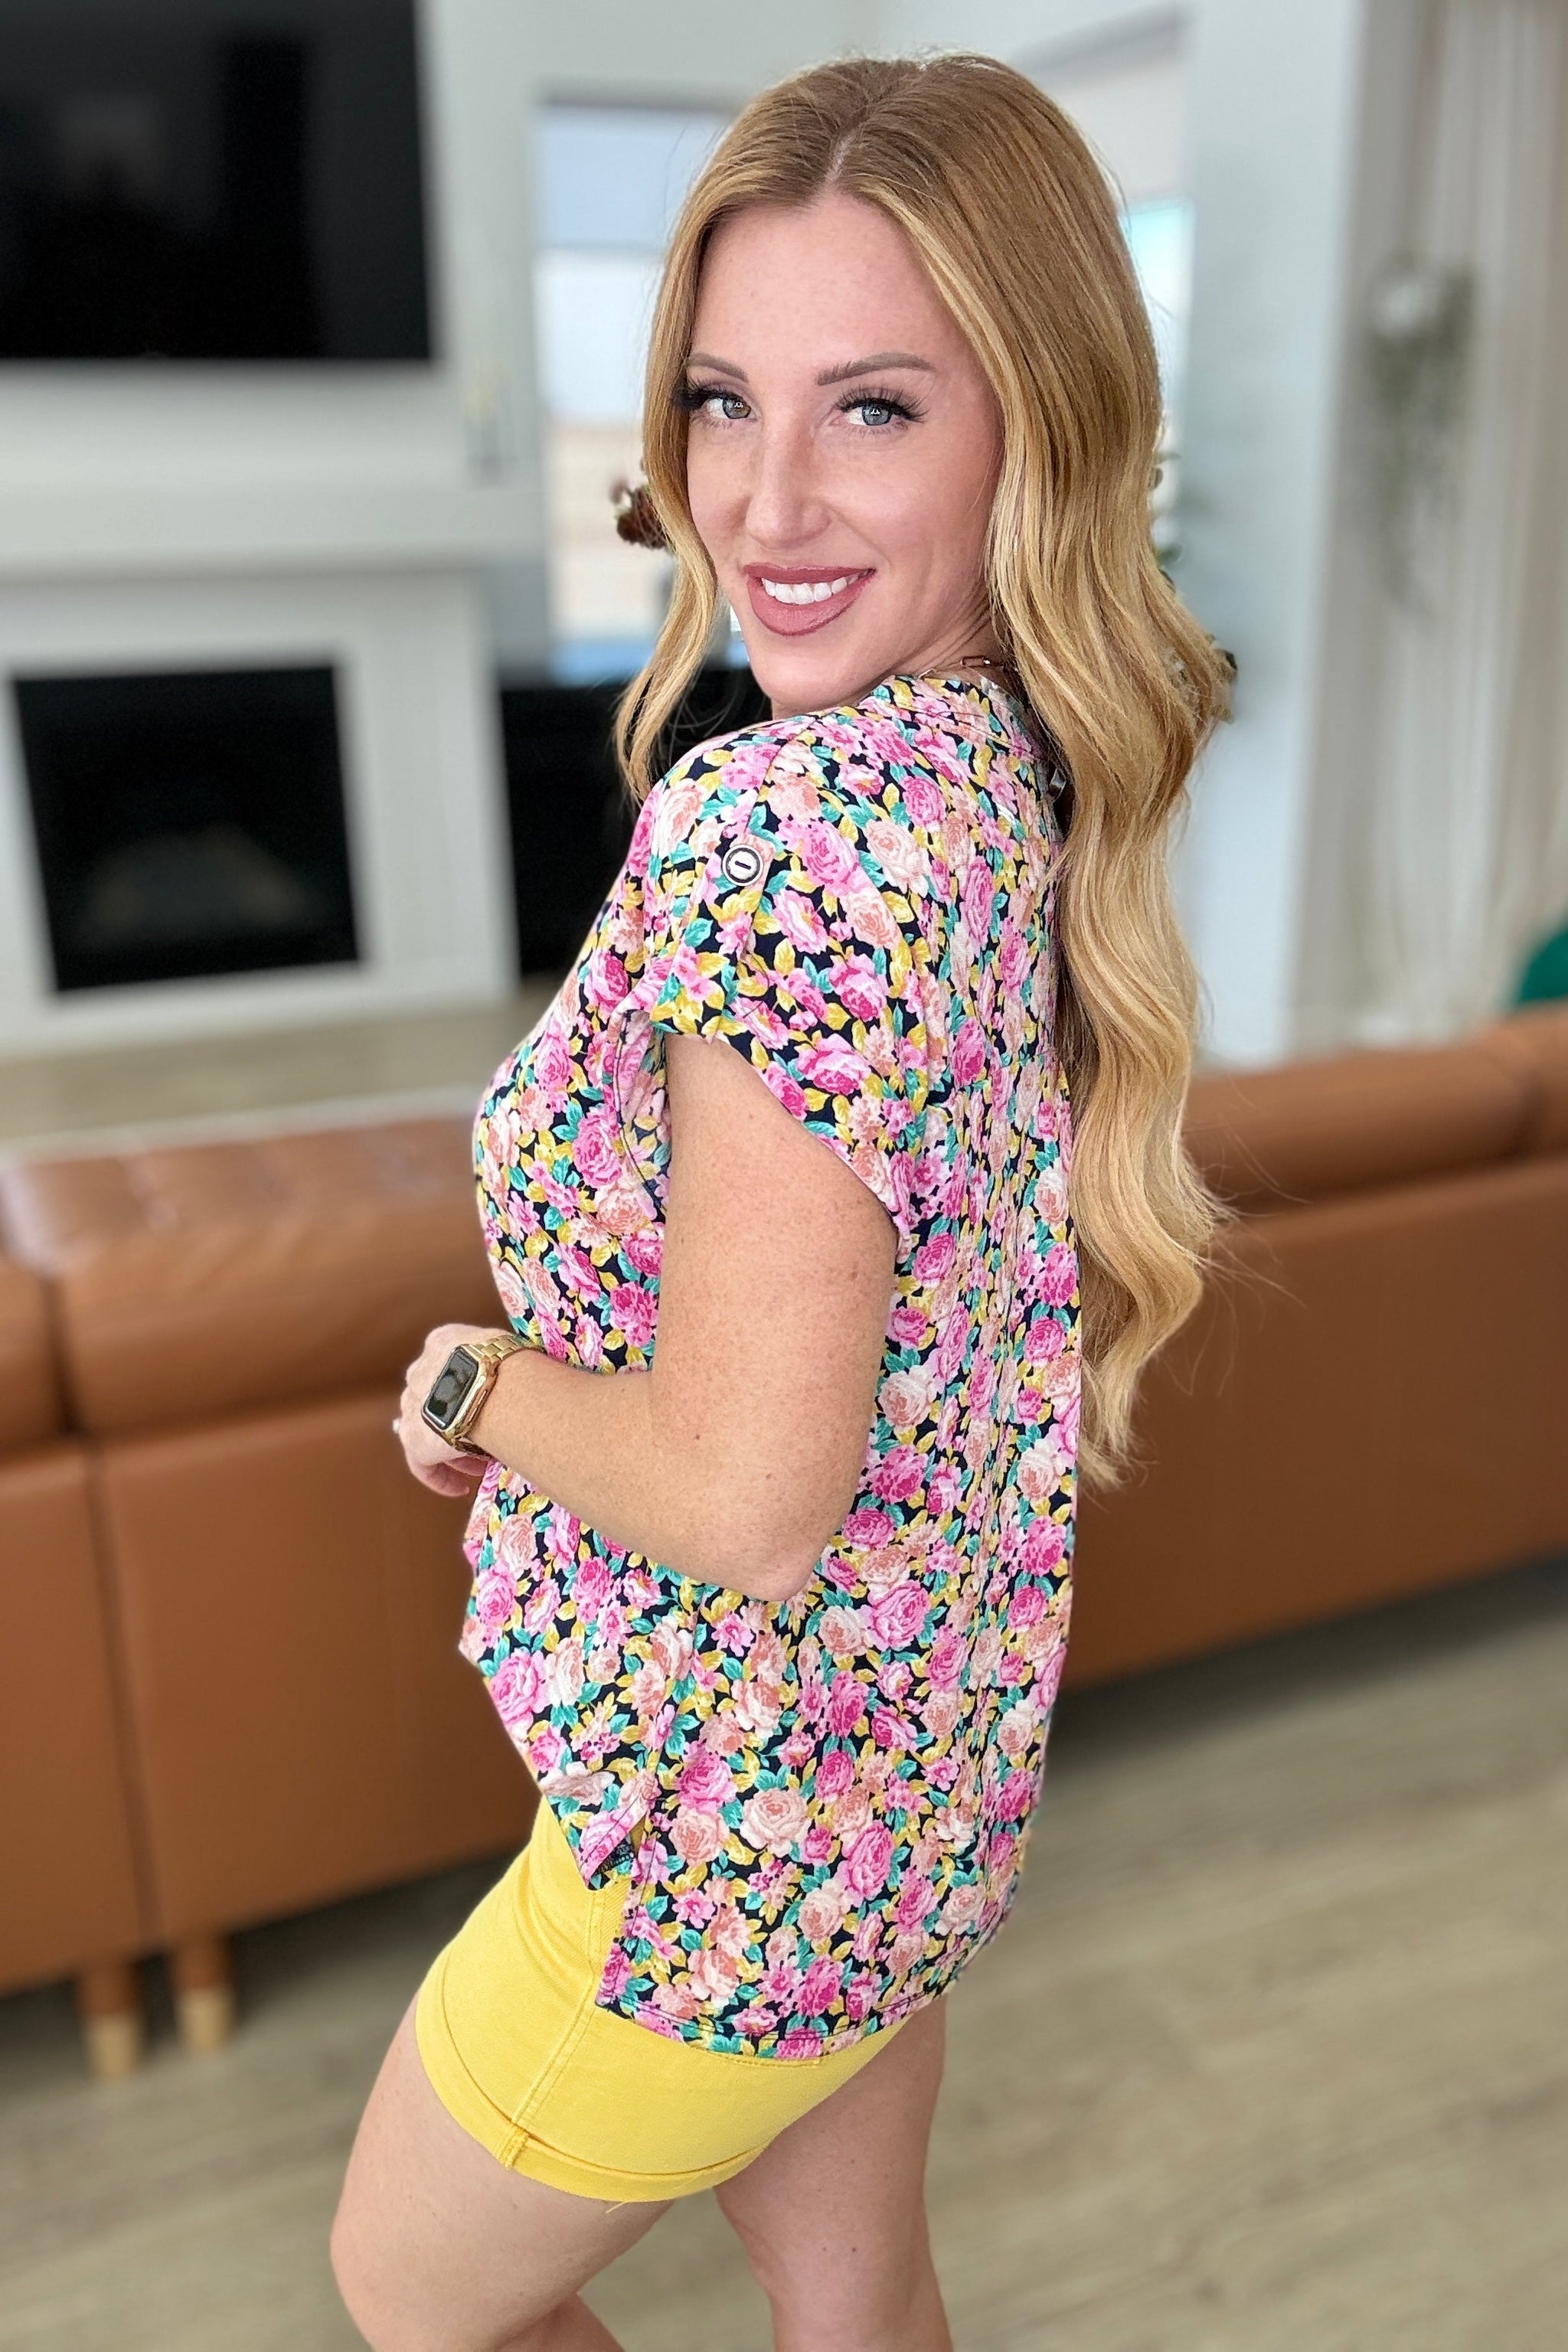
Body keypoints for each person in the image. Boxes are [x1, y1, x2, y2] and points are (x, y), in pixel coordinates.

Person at [331, 49, 1229, 2352]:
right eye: (724, 402)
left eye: (875, 409)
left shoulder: (791, 829)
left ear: (1038, 431)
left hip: (713, 1847)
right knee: (862, 2308)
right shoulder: (1004, 781)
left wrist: (479, 1382)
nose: (764, 498)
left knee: (414, 2298)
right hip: (899, 1814)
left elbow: (745, 1495)